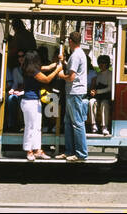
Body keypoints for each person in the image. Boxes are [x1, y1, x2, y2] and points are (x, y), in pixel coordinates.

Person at [19, 51, 64, 162]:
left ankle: (37, 149)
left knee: (37, 127)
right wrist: (57, 70)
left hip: (34, 101)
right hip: (30, 102)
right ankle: (29, 150)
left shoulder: (29, 68)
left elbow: (48, 67)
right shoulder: (32, 71)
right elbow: (47, 79)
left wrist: (59, 61)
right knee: (30, 127)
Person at [57, 32, 90, 162]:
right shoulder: (79, 54)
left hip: (74, 92)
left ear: (70, 41)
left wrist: (61, 75)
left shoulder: (75, 56)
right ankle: (70, 151)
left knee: (77, 123)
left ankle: (81, 153)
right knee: (69, 122)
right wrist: (64, 61)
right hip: (74, 92)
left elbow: (71, 77)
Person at [88, 55, 113, 136]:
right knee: (91, 102)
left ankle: (104, 126)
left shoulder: (110, 74)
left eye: (103, 63)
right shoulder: (97, 74)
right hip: (98, 96)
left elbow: (109, 88)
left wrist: (97, 91)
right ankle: (93, 125)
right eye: (100, 63)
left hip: (106, 96)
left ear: (107, 64)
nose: (101, 65)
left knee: (104, 104)